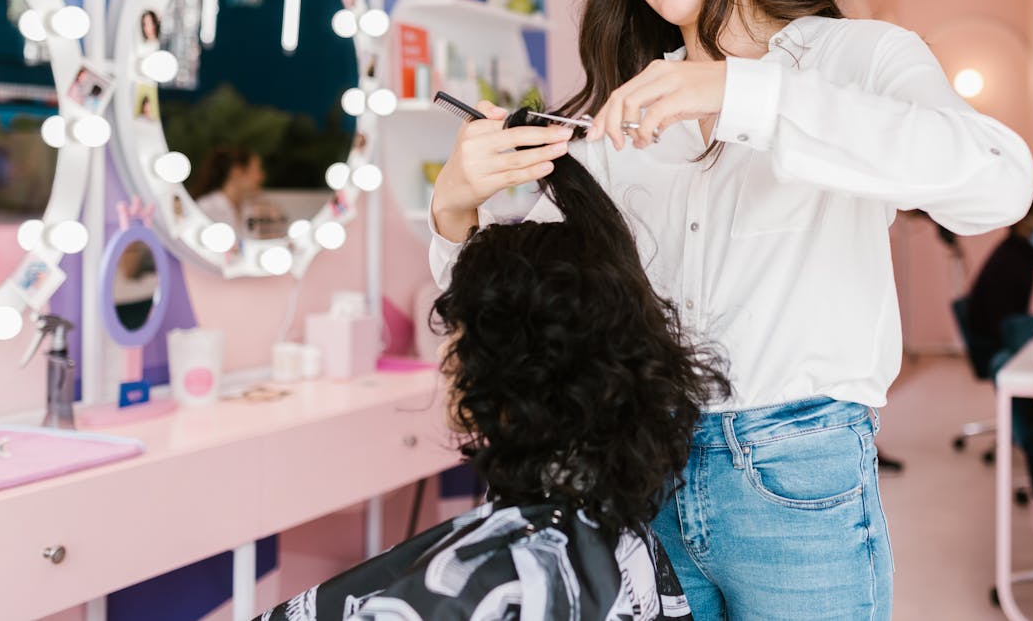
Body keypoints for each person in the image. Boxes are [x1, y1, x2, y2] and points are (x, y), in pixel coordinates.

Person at [429, 0, 1033, 619]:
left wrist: (739, 92)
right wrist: (454, 207)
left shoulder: (857, 58)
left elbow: (998, 183)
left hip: (799, 466)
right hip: (645, 468)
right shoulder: (629, 110)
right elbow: (518, 312)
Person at [263, 151, 730, 620]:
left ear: (512, 367)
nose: (444, 356)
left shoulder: (482, 584)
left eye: (457, 333)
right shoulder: (620, 532)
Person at [966, 197, 1033, 499]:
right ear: (1028, 224)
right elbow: (1001, 325)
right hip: (992, 344)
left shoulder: (1020, 251)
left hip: (1000, 333)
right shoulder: (1011, 261)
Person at [192, 146, 265, 233]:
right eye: (257, 170)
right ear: (237, 172)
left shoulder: (249, 210)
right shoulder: (207, 208)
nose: (261, 176)